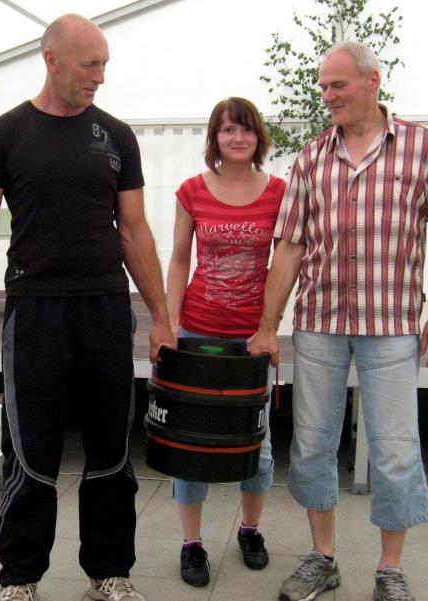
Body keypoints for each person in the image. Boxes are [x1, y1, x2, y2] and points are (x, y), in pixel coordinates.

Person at [0, 14, 174, 601]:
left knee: (110, 450)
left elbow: (134, 231)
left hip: (104, 307)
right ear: (51, 59)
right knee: (30, 451)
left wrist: (161, 317)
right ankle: (20, 578)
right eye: (89, 64)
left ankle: (110, 572)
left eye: (104, 64)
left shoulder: (116, 136)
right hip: (35, 309)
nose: (100, 76)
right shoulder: (7, 133)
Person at [248, 41, 428, 601]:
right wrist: (269, 325)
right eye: (323, 86)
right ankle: (322, 558)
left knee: (394, 449)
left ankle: (390, 569)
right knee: (312, 444)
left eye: (337, 85)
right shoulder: (311, 157)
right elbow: (290, 246)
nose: (327, 96)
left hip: (391, 324)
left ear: (372, 81)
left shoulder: (421, 147)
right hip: (319, 322)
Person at [166, 97, 285, 587]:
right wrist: (170, 324)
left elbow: (285, 265)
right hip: (198, 332)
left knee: (257, 444)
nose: (238, 138)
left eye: (247, 129)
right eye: (228, 130)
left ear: (259, 137)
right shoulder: (192, 191)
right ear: (214, 137)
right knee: (191, 443)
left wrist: (271, 327)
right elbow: (179, 260)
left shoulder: (279, 192)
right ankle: (191, 544)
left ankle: (249, 530)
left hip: (251, 340)